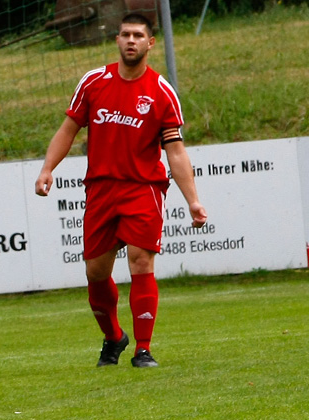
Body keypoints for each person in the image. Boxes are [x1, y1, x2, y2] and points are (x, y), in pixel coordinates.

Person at [35, 13, 208, 368]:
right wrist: (47, 168)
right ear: (117, 40)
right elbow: (69, 129)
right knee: (95, 273)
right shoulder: (93, 82)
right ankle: (114, 337)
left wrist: (193, 200)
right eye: (126, 34)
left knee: (141, 262)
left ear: (150, 43)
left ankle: (142, 349)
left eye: (138, 35)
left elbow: (175, 150)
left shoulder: (161, 91)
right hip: (100, 189)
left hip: (143, 189)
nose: (131, 40)